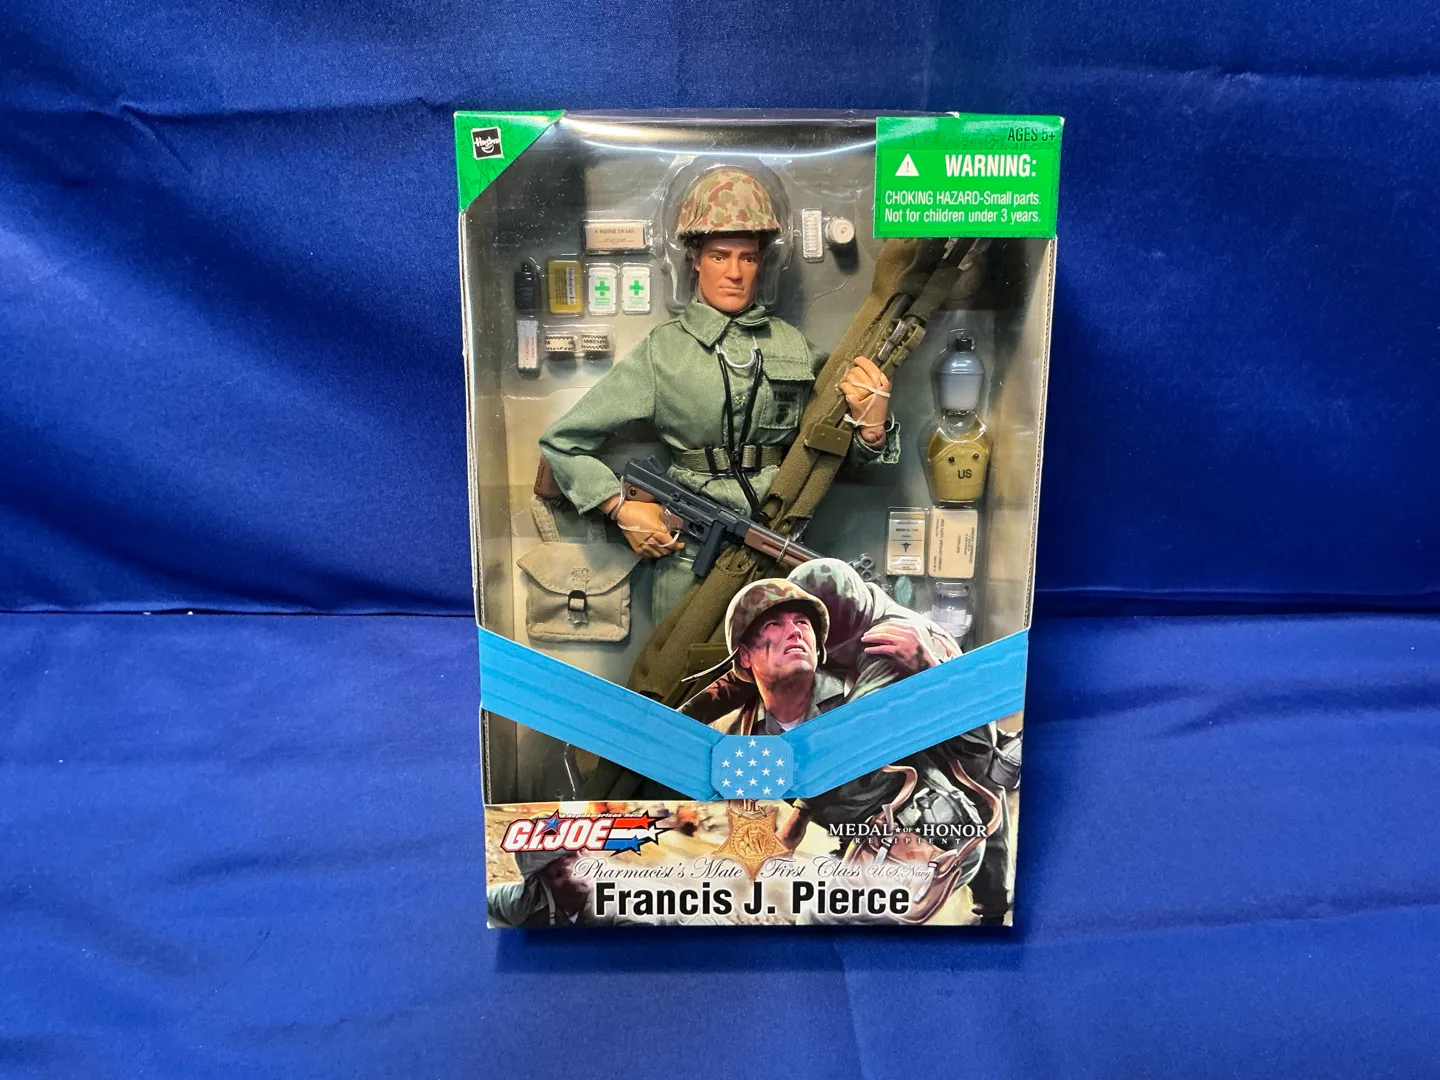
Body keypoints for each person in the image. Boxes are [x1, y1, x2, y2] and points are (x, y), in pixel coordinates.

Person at [539, 167, 900, 621]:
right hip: (689, 555)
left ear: (762, 262)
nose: (734, 273)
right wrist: (619, 507)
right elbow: (563, 442)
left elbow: (829, 453)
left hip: (774, 543)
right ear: (694, 259)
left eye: (747, 258)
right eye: (719, 255)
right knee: (675, 661)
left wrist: (870, 429)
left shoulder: (792, 347)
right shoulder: (665, 352)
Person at [485, 849, 597, 928]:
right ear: (550, 875)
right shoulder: (527, 903)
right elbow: (484, 900)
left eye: (582, 849)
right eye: (566, 857)